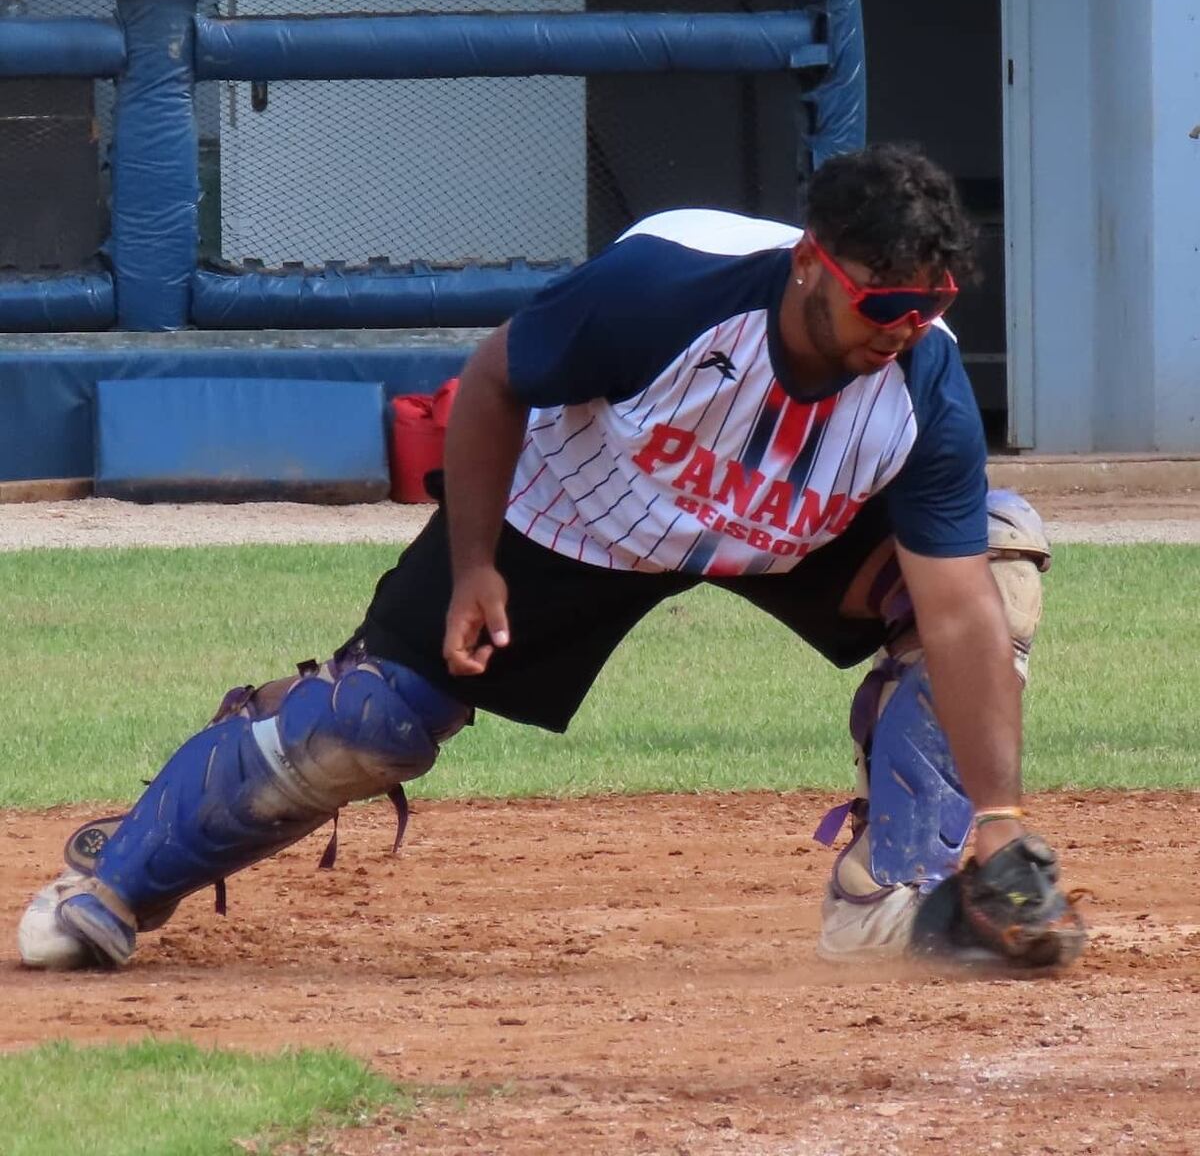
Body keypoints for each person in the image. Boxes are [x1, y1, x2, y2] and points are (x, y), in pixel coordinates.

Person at [18, 144, 1085, 972]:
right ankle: (119, 880)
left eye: (932, 304)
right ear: (813, 261)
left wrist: (1000, 819)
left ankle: (890, 897)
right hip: (580, 515)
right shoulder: (667, 291)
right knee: (376, 723)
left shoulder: (924, 387)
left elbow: (956, 613)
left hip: (785, 531)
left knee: (995, 562)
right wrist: (475, 567)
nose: (907, 326)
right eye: (884, 301)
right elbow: (495, 381)